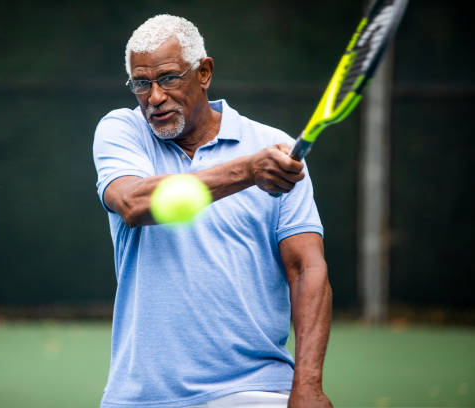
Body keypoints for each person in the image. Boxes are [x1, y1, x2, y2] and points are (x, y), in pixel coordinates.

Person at [92, 14, 332, 408]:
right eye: (141, 83)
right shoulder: (123, 130)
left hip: (255, 391)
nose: (153, 97)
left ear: (203, 72)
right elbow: (134, 203)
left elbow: (307, 268)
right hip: (140, 397)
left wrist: (307, 384)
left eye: (168, 78)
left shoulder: (275, 146)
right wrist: (249, 171)